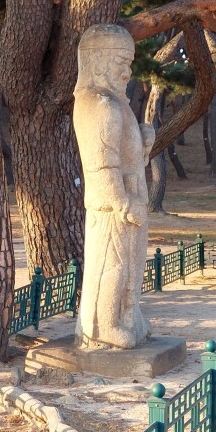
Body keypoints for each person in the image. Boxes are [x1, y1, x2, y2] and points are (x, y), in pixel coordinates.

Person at [73, 23, 155, 349]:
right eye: (120, 61)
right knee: (113, 263)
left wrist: (144, 145)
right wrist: (122, 202)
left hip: (130, 196)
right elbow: (101, 164)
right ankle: (103, 324)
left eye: (129, 62)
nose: (127, 71)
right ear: (98, 61)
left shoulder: (116, 103)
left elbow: (128, 158)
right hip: (111, 203)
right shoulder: (100, 105)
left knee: (132, 265)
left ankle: (127, 316)